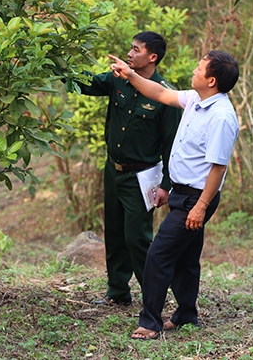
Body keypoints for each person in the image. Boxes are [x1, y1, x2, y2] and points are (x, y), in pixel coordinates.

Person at [108, 50, 240, 340]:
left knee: (157, 255)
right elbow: (160, 93)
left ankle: (150, 322)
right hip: (182, 193)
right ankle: (186, 315)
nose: (194, 70)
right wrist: (130, 75)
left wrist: (200, 207)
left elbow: (218, 168)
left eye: (199, 68)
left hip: (196, 198)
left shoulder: (221, 117)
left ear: (212, 80)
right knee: (186, 258)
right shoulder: (196, 100)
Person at [73, 31, 182, 306]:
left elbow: (171, 145)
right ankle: (118, 292)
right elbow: (86, 84)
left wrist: (167, 185)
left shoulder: (164, 95)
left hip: (142, 176)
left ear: (152, 57)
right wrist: (55, 66)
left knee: (137, 238)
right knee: (115, 232)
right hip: (113, 171)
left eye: (136, 50)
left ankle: (152, 297)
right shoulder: (117, 80)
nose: (129, 54)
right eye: (130, 49)